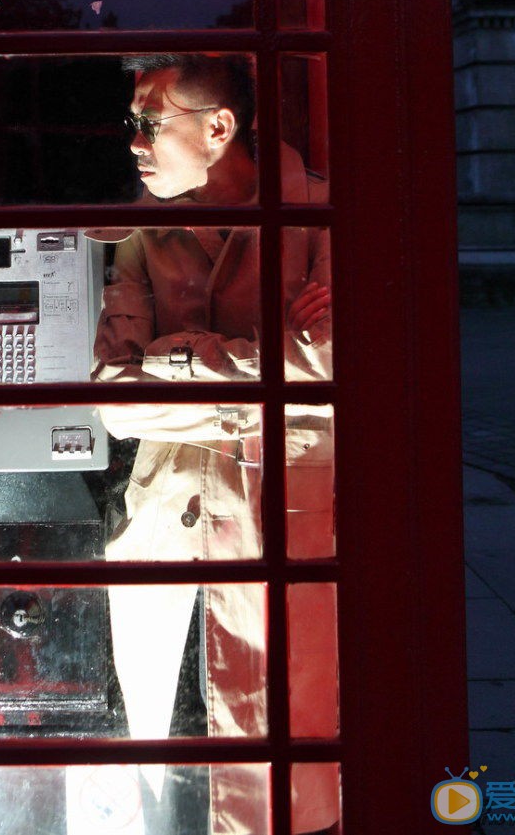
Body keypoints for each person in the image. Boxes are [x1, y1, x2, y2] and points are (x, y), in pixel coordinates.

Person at [91, 54, 337, 835]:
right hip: (165, 521)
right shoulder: (141, 233)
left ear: (219, 128)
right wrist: (264, 386)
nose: (131, 141)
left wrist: (183, 360)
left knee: (286, 770)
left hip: (282, 521)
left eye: (148, 121)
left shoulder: (324, 216)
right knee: (157, 765)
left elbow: (331, 367)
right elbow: (115, 402)